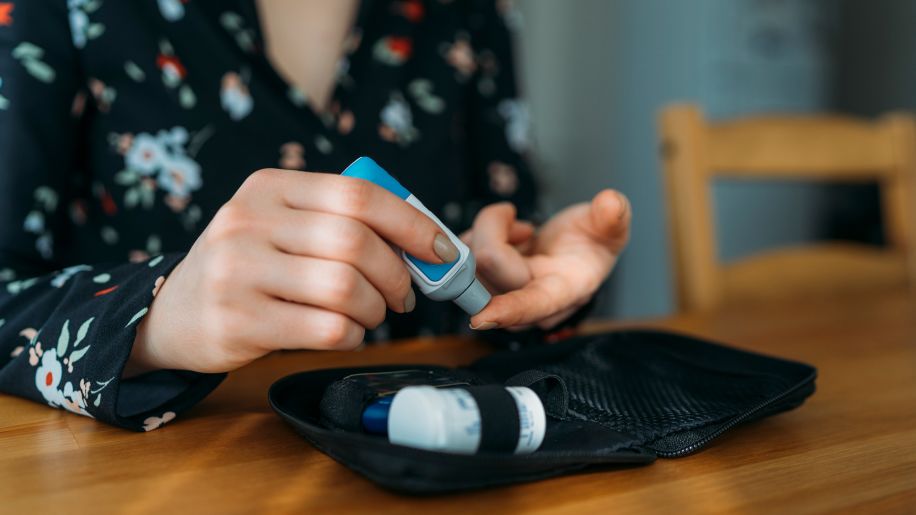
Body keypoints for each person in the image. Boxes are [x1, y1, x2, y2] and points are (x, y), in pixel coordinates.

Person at [0, 0, 630, 431]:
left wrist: (530, 274)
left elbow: (488, 256)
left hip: (430, 464)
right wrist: (157, 320)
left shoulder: (466, 10)